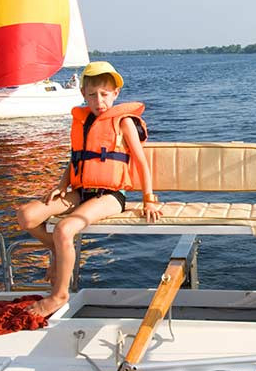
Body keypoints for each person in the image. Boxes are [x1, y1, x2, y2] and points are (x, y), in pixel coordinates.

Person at [16, 61, 162, 317]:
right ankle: (56, 248)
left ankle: (59, 295)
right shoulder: (83, 122)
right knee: (26, 216)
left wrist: (149, 199)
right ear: (83, 94)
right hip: (80, 190)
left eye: (105, 94)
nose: (99, 101)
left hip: (110, 196)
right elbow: (77, 160)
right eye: (92, 95)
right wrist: (61, 186)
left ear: (115, 94)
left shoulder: (123, 122)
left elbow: (141, 162)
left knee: (64, 228)